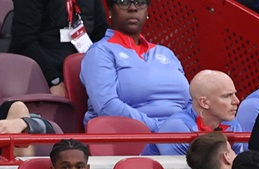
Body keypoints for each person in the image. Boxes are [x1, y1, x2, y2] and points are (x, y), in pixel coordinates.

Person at [80, 0, 189, 130]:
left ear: (147, 11)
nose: (133, 8)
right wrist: (162, 129)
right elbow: (107, 106)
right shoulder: (100, 52)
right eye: (123, 2)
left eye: (140, 2)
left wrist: (189, 125)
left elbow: (190, 102)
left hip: (180, 133)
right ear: (109, 11)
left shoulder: (165, 53)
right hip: (131, 136)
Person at [11, 0, 109, 97]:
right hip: (45, 76)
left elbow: (101, 34)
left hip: (86, 75)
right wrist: (53, 80)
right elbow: (24, 42)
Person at [147, 70, 242, 157]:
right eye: (227, 96)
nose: (236, 101)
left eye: (234, 94)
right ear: (204, 103)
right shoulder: (177, 128)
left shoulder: (232, 124)